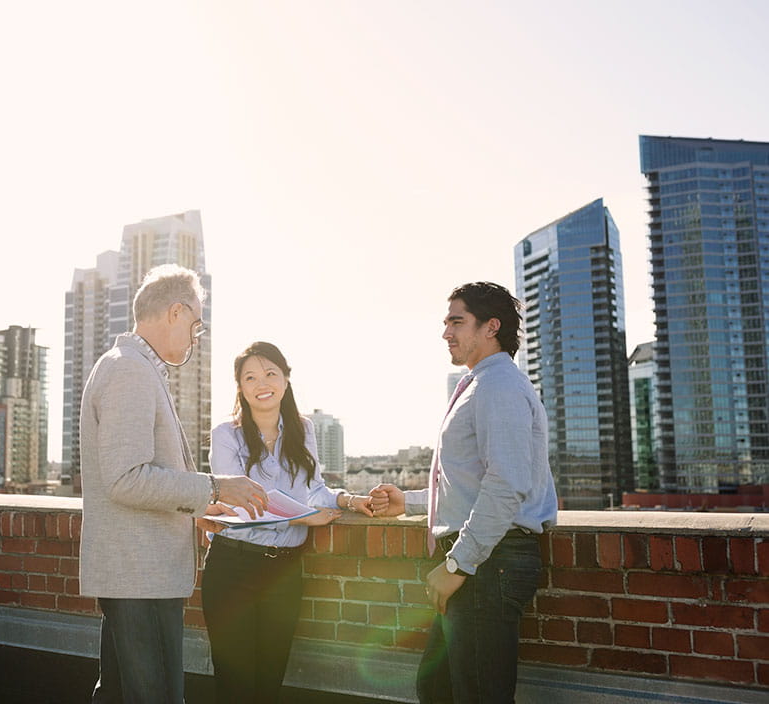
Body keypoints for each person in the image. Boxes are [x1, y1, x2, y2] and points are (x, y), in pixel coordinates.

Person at [79, 264, 269, 704]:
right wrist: (215, 489)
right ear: (176, 312)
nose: (195, 336)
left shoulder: (129, 365)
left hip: (133, 575)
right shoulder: (129, 370)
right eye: (195, 324)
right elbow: (126, 478)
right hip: (141, 577)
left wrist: (196, 510)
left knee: (119, 694)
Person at [369, 282, 558, 704]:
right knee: (438, 689)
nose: (446, 333)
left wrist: (458, 565)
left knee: (475, 695)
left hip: (488, 563)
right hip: (482, 560)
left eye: (457, 321)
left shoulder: (498, 386)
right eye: (446, 322)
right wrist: (412, 501)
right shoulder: (482, 382)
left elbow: (507, 486)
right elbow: (472, 482)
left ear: (491, 326)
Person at [201, 341, 374, 703]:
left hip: (284, 571)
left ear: (285, 378)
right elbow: (241, 506)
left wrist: (347, 499)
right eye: (250, 377)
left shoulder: (303, 430)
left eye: (270, 373)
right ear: (240, 387)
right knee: (235, 685)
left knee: (269, 682)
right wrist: (306, 517)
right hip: (234, 566)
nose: (261, 383)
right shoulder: (225, 435)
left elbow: (315, 490)